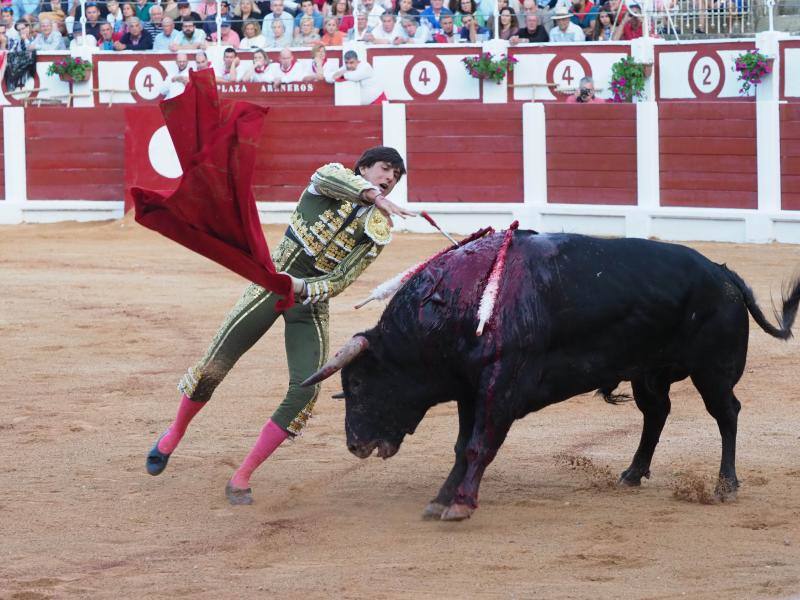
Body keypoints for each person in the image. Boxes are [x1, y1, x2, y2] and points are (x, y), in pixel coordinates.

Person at [146, 147, 414, 507]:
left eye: (396, 177)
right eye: (385, 169)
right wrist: (373, 195)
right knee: (214, 365)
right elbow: (328, 179)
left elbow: (343, 277)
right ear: (364, 167)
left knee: (306, 390)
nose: (390, 179)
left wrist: (305, 288)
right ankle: (174, 434)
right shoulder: (330, 177)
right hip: (270, 282)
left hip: (309, 303)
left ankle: (242, 475)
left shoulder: (380, 229)